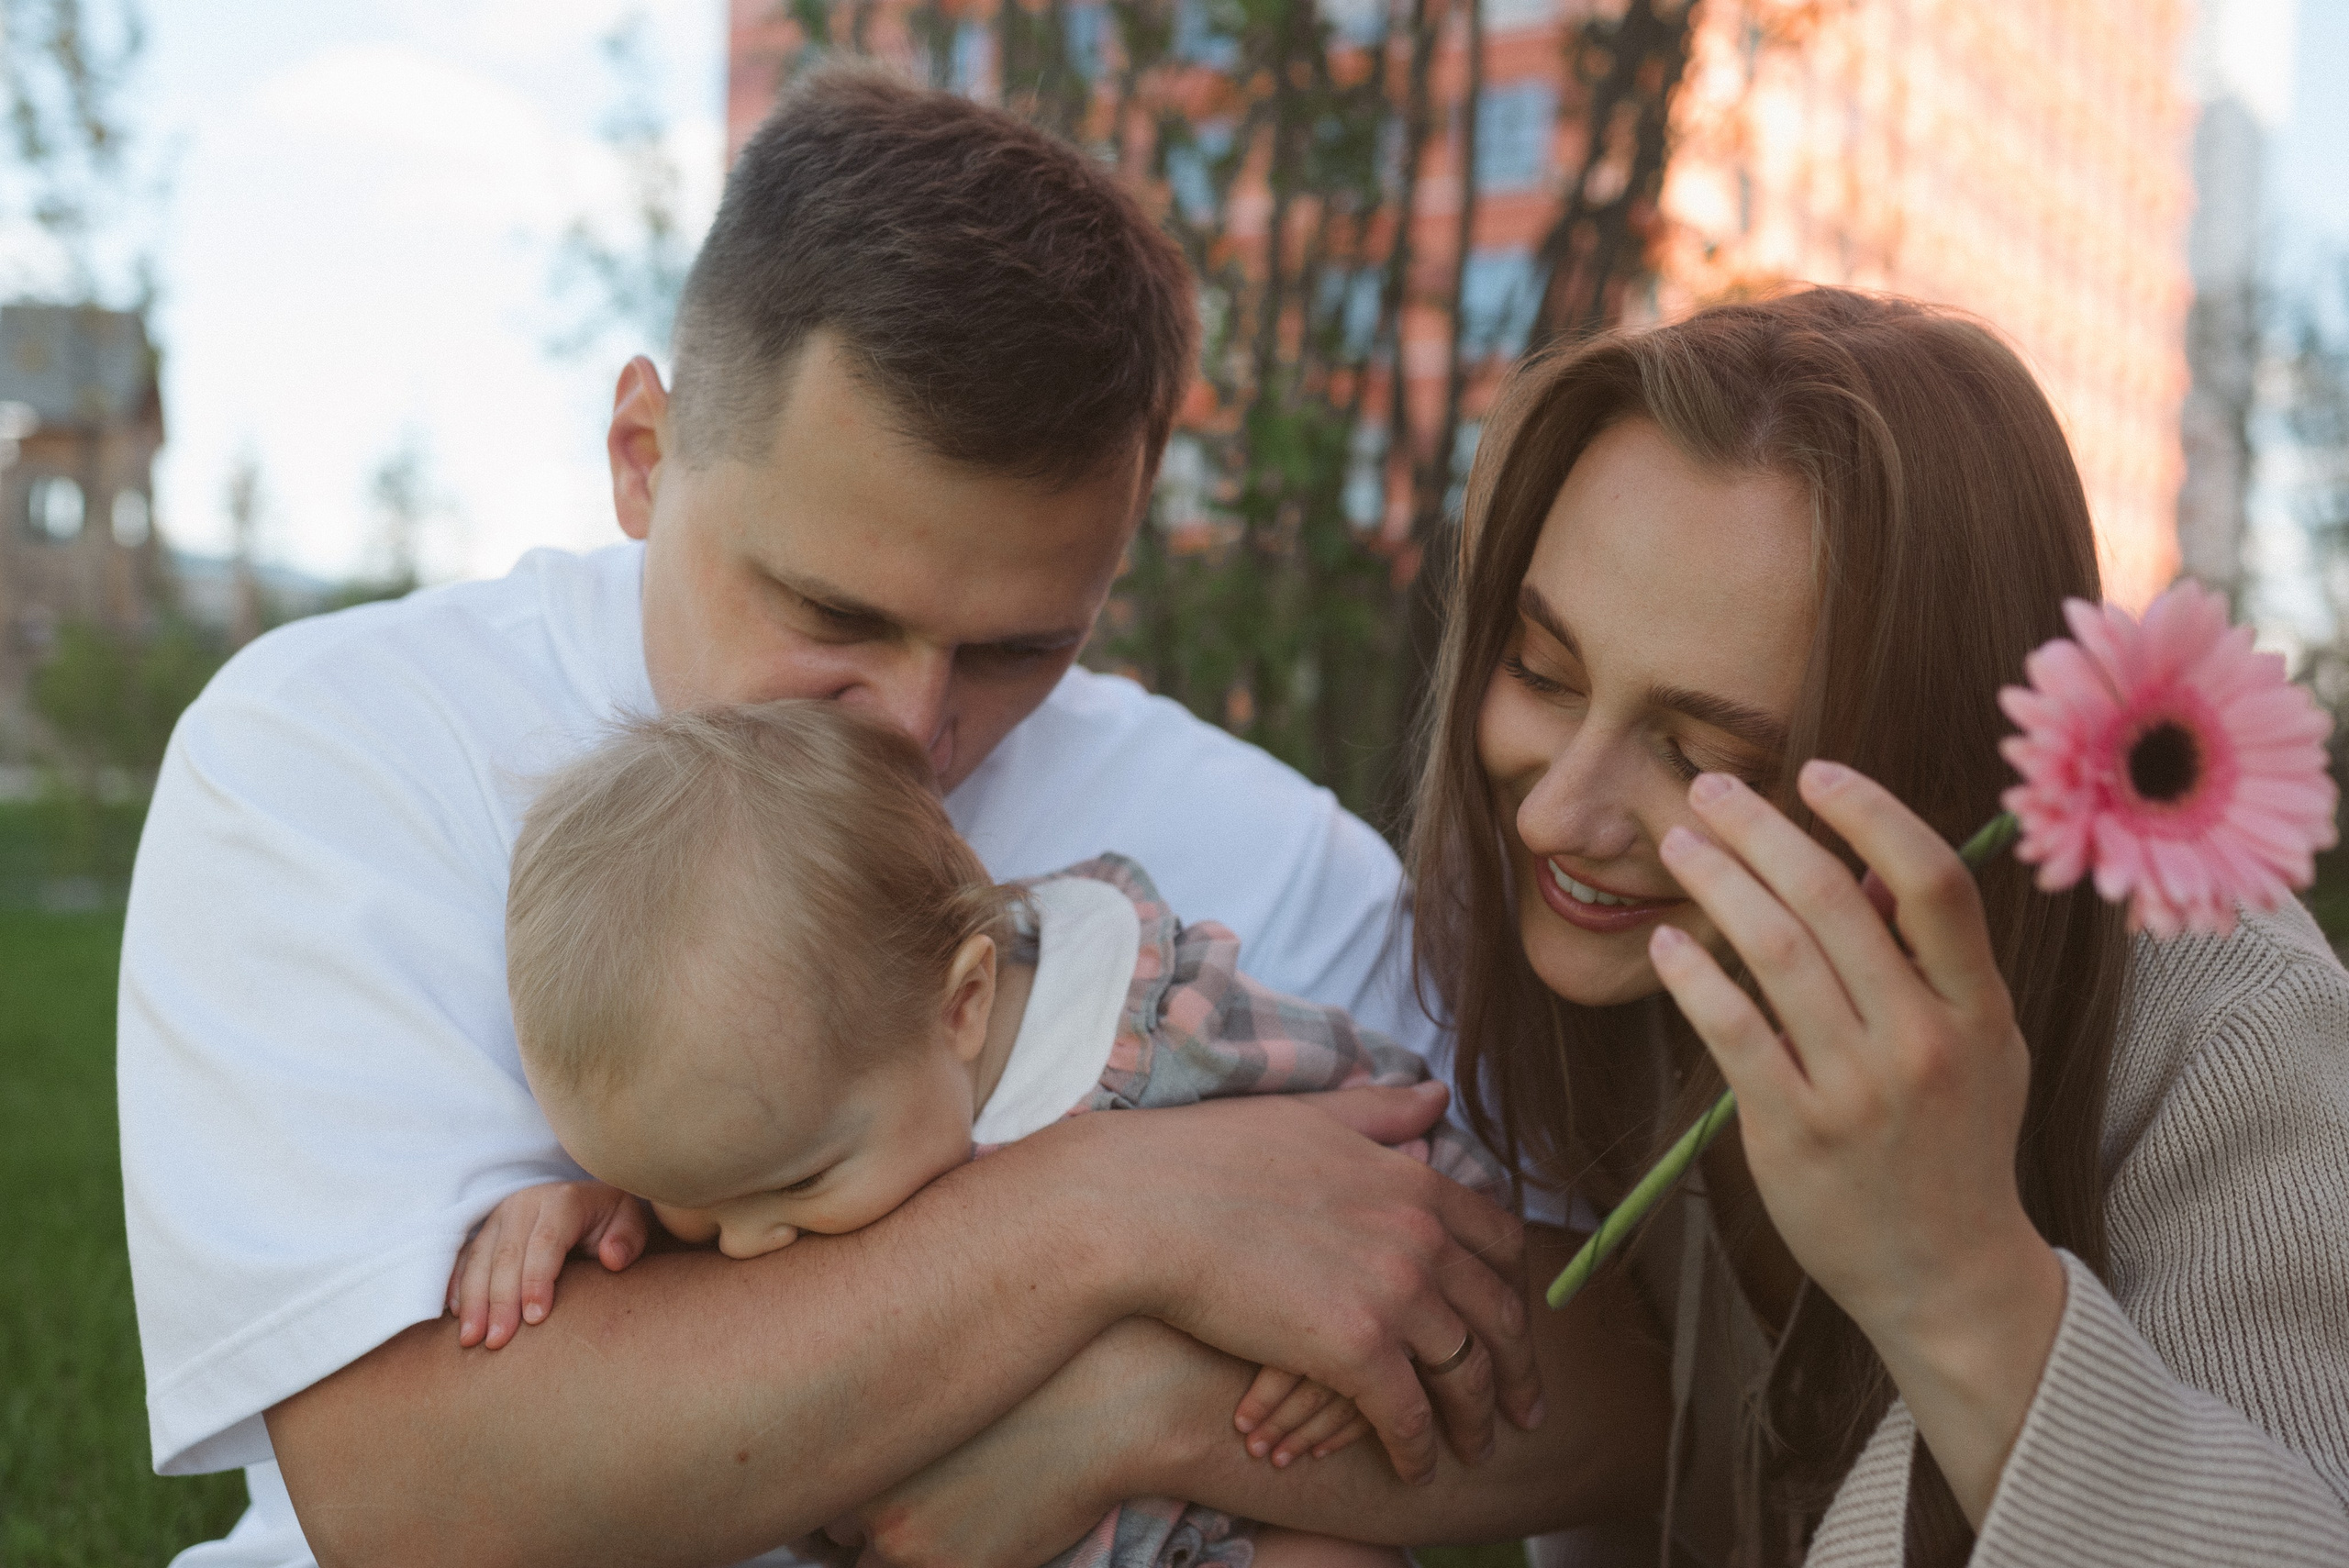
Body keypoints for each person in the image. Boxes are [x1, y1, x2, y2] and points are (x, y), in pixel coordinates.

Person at [121, 68, 1663, 1568]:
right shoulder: (340, 750)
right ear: (643, 458)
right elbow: (420, 1492)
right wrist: (1117, 1212)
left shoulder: (1268, 853)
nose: (919, 726)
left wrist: (1137, 1416)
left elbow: (1608, 1385)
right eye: (833, 610)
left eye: (1018, 646)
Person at [801, 289, 2349, 1568]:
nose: (1558, 813)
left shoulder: (2222, 1026)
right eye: (1542, 670)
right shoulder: (1555, 961)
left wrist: (1957, 1276)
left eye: (1709, 752)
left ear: (1936, 776)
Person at [456, 698, 1513, 1566]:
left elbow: (1401, 1184)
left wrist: (1333, 1349)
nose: (743, 1243)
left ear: (961, 1005)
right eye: (687, 1198)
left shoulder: (1166, 1039)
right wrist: (599, 1214)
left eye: (800, 1182)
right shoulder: (775, 1121)